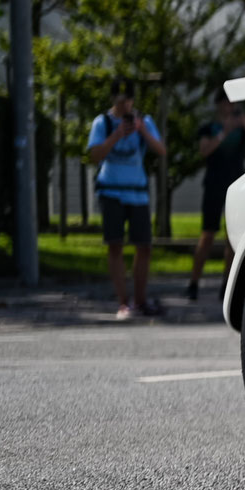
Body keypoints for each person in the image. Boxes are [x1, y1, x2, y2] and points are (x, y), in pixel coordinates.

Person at [87, 88, 167, 319]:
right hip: (111, 192)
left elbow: (161, 150)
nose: (125, 107)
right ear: (113, 100)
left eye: (129, 101)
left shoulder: (144, 121)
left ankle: (140, 301)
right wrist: (117, 134)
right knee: (115, 244)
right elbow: (94, 155)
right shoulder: (102, 123)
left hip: (138, 193)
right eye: (121, 102)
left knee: (144, 245)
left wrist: (142, 131)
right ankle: (123, 303)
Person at [188, 90, 245, 300]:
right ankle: (194, 283)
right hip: (214, 185)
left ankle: (227, 286)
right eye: (226, 103)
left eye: (233, 104)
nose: (230, 108)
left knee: (232, 238)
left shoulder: (242, 129)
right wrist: (224, 131)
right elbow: (204, 150)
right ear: (219, 104)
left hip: (236, 187)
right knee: (208, 235)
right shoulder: (209, 128)